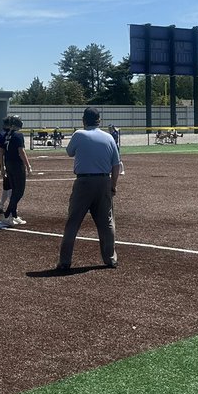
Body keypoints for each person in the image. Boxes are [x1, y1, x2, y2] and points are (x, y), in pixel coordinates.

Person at [56, 108, 122, 272]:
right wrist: (113, 185)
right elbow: (116, 166)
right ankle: (110, 259)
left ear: (84, 120)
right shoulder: (109, 137)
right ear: (99, 120)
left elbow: (69, 152)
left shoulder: (79, 134)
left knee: (73, 221)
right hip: (104, 181)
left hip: (84, 181)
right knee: (107, 223)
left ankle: (65, 261)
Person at [1, 114, 32, 227]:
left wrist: (2, 166)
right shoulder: (18, 135)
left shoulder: (7, 135)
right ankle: (7, 214)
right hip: (17, 165)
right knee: (19, 191)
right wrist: (28, 166)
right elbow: (21, 152)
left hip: (8, 163)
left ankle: (13, 215)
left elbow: (2, 152)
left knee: (14, 190)